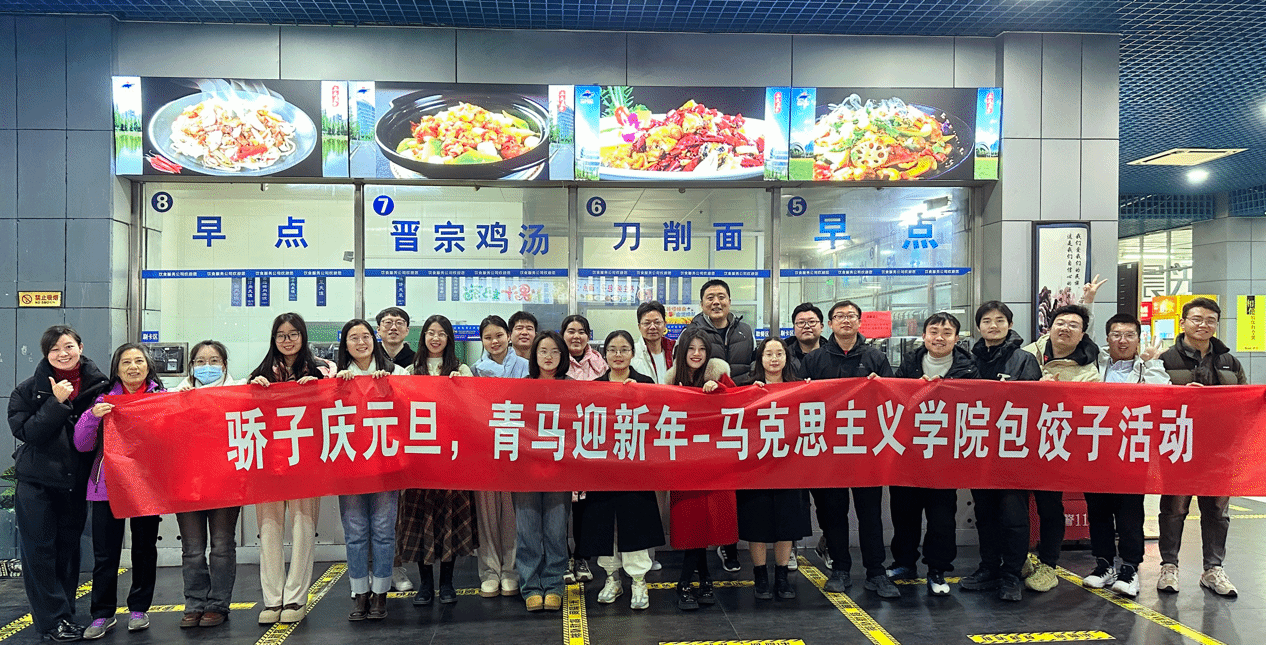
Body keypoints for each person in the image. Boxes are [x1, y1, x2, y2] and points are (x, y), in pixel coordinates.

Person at [8, 326, 109, 642]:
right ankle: (52, 623)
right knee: (39, 553)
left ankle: (65, 616)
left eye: (68, 346)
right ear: (46, 354)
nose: (62, 354)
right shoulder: (28, 390)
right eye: (54, 349)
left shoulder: (99, 385)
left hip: (74, 483)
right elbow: (28, 433)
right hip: (36, 483)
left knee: (68, 551)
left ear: (81, 346)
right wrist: (55, 402)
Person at [798, 300, 899, 599]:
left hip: (867, 450)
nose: (845, 320)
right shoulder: (814, 360)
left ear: (859, 322)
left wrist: (881, 386)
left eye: (851, 316)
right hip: (829, 450)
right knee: (833, 512)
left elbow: (892, 399)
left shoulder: (875, 357)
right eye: (839, 316)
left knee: (870, 514)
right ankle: (840, 569)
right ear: (829, 324)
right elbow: (801, 404)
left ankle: (876, 572)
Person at [248, 312, 336, 624]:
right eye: (281, 335)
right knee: (269, 529)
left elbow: (337, 407)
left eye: (293, 334)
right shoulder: (260, 373)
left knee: (303, 528)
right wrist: (252, 389)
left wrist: (320, 388)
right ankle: (272, 600)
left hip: (306, 461)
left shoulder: (322, 369)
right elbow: (244, 412)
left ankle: (296, 597)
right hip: (268, 462)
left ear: (303, 336)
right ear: (274, 339)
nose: (287, 340)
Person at [73, 344, 164, 639]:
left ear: (148, 366)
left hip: (146, 487)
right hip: (107, 486)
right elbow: (82, 444)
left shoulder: (161, 399)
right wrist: (92, 417)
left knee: (144, 550)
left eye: (139, 361)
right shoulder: (102, 400)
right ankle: (102, 614)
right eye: (126, 362)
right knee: (105, 554)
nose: (133, 367)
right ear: (117, 369)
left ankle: (139, 609)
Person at [884, 313, 978, 597]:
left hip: (945, 456)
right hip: (909, 452)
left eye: (947, 333)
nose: (939, 337)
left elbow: (976, 406)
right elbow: (894, 400)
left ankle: (937, 569)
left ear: (956, 338)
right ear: (923, 336)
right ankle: (904, 563)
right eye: (933, 331)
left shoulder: (969, 368)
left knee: (941, 518)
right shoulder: (909, 364)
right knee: (904, 514)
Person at [1157, 297, 1246, 597]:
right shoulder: (1165, 360)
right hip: (1178, 445)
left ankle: (1213, 569)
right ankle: (1169, 566)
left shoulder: (1229, 361)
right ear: (1183, 322)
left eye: (1210, 320)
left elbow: (1243, 402)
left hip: (1218, 449)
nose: (1203, 325)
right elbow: (1152, 401)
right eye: (1197, 319)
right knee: (1174, 508)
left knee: (1217, 510)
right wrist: (1181, 394)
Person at [1078, 313, 1170, 598]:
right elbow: (1085, 333)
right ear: (1107, 338)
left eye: (1129, 335)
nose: (1122, 340)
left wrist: (1152, 361)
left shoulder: (1148, 368)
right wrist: (1089, 302)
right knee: (1098, 511)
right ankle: (1104, 564)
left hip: (1132, 452)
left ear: (1138, 339)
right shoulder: (1095, 363)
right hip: (1097, 449)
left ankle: (1130, 568)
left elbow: (1162, 393)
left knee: (1130, 514)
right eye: (1116, 334)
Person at [1020, 303, 1102, 594]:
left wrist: (1055, 393)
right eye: (1061, 323)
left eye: (1073, 326)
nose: (1065, 329)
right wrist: (1034, 386)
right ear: (1049, 327)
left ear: (1082, 335)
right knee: (1015, 505)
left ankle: (1048, 564)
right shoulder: (1027, 354)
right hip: (1020, 442)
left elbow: (1087, 408)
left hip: (1055, 444)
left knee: (1050, 506)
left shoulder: (1089, 370)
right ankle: (1019, 557)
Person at [962, 301, 1041, 601]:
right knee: (985, 513)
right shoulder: (969, 360)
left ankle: (1011, 574)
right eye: (986, 321)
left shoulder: (1024, 360)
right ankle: (988, 568)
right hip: (979, 447)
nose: (993, 326)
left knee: (1013, 515)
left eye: (999, 320)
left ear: (1010, 324)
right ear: (978, 326)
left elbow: (1034, 404)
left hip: (1013, 450)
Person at [400, 315, 479, 607]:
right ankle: (425, 584)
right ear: (423, 337)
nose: (436, 338)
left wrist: (461, 387)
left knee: (449, 520)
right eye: (431, 333)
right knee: (422, 521)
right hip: (420, 459)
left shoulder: (461, 369)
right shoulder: (410, 371)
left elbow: (473, 407)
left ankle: (447, 583)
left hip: (451, 458)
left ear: (449, 339)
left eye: (442, 334)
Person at [582, 330, 663, 610]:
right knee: (605, 523)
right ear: (604, 354)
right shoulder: (594, 387)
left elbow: (657, 422)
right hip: (603, 469)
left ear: (632, 353)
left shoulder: (645, 383)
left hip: (635, 468)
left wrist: (639, 395)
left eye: (624, 349)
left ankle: (639, 580)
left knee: (635, 521)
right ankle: (611, 578)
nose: (618, 355)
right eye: (612, 349)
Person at [334, 319, 408, 621]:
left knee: (383, 531)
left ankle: (380, 594)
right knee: (355, 532)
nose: (361, 342)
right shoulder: (335, 376)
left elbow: (412, 408)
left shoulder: (396, 372)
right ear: (345, 344)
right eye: (353, 338)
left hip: (385, 466)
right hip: (349, 466)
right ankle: (359, 593)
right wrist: (336, 386)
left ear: (374, 339)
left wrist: (390, 387)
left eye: (365, 336)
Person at [665, 329, 740, 610]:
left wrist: (719, 390)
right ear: (682, 351)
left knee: (711, 523)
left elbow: (739, 404)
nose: (697, 354)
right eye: (691, 348)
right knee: (692, 524)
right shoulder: (670, 382)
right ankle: (701, 578)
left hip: (716, 464)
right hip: (684, 464)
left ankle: (688, 581)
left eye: (702, 349)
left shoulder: (720, 376)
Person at [734, 337, 812, 601]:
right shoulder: (746, 387)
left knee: (787, 523)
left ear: (787, 358)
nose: (774, 359)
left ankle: (781, 576)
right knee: (757, 522)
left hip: (789, 467)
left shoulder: (799, 387)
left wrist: (811, 391)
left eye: (780, 353)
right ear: (760, 358)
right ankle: (760, 576)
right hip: (755, 468)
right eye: (769, 354)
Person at [173, 340, 242, 628]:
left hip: (225, 481)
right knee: (192, 548)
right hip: (187, 482)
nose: (207, 366)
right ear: (191, 366)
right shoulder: (175, 396)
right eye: (200, 361)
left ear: (224, 365)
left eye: (214, 361)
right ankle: (194, 604)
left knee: (222, 545)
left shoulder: (238, 393)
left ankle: (218, 605)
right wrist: (179, 403)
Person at [685, 279, 753, 571]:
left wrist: (736, 389)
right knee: (705, 484)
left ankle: (729, 545)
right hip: (704, 419)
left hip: (738, 414)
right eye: (710, 297)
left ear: (729, 301)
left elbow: (752, 366)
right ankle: (699, 547)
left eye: (721, 296)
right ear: (702, 303)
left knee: (732, 482)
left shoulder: (744, 330)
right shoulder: (692, 332)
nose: (716, 302)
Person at [514, 331, 573, 612]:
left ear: (563, 356)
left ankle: (554, 584)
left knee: (556, 530)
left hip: (560, 469)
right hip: (526, 470)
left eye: (555, 351)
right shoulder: (522, 387)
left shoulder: (573, 388)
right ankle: (530, 586)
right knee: (527, 530)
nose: (548, 357)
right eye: (543, 351)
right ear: (534, 355)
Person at [471, 316, 526, 599]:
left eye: (499, 335)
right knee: (487, 514)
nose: (494, 341)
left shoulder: (527, 367)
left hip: (518, 448)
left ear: (509, 336)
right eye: (488, 337)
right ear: (482, 340)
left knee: (513, 514)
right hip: (485, 449)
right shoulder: (473, 371)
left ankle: (512, 570)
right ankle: (490, 571)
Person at [560, 314, 604, 583]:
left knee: (584, 507)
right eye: (571, 331)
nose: (576, 336)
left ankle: (582, 557)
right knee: (559, 505)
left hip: (589, 442)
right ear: (562, 334)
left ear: (588, 335)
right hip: (560, 441)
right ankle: (563, 557)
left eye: (581, 331)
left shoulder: (600, 364)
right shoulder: (554, 360)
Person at [375, 307, 417, 593]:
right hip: (371, 443)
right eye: (387, 323)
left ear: (407, 330)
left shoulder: (415, 361)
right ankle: (372, 569)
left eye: (399, 323)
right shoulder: (365, 357)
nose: (393, 327)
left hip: (405, 444)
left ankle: (396, 566)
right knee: (372, 514)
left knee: (399, 512)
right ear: (378, 329)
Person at [628, 301, 675, 384]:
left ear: (664, 324)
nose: (652, 327)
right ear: (639, 327)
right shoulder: (631, 354)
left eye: (657, 322)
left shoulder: (675, 350)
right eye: (647, 323)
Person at [784, 302, 827, 373]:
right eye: (801, 322)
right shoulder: (784, 356)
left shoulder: (833, 354)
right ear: (794, 328)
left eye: (812, 322)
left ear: (821, 327)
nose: (806, 326)